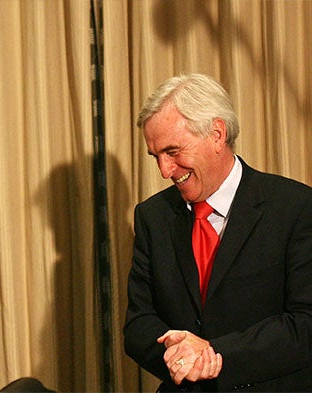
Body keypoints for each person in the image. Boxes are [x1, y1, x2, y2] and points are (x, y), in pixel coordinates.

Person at [124, 73, 312, 392]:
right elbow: (138, 326)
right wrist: (179, 356)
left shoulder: (295, 208)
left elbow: (306, 323)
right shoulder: (152, 217)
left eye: (172, 152)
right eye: (156, 156)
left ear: (216, 134)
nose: (164, 171)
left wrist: (214, 355)